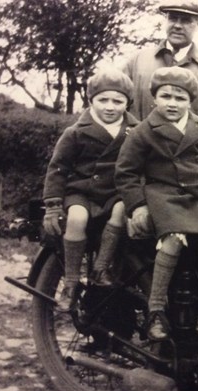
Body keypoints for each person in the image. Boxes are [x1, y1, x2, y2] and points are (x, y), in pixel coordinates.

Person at [115, 66, 198, 341]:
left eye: (180, 98)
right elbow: (126, 172)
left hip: (195, 197)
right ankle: (155, 310)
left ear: (190, 101)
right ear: (154, 98)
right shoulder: (144, 131)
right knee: (174, 238)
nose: (172, 103)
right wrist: (138, 206)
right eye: (166, 96)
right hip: (163, 196)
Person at [42, 67, 139, 311]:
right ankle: (72, 282)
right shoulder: (75, 132)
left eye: (118, 101)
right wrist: (53, 205)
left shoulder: (136, 131)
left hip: (116, 190)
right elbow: (58, 168)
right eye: (102, 99)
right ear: (91, 100)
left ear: (127, 103)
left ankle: (101, 268)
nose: (110, 106)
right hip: (82, 190)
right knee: (76, 218)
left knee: (120, 210)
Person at [121, 0, 198, 140]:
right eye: (172, 18)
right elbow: (116, 105)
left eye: (185, 20)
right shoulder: (137, 61)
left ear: (197, 24)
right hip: (138, 155)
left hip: (185, 158)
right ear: (165, 20)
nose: (177, 26)